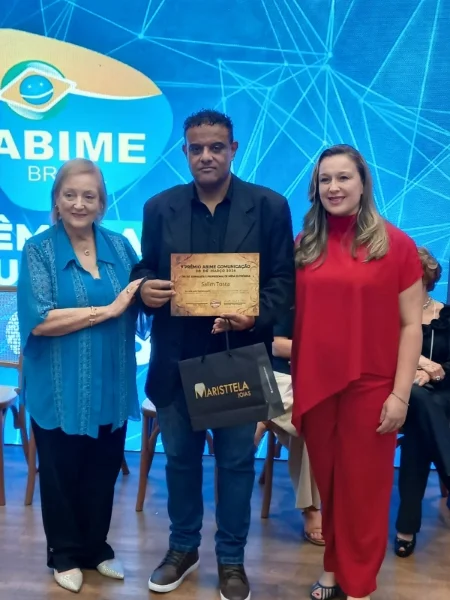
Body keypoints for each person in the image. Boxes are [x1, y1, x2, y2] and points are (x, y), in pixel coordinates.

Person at [130, 109, 294, 600]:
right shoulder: (159, 207)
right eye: (196, 148)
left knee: (236, 465)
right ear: (185, 151)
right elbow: (146, 268)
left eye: (216, 147)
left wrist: (253, 314)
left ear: (233, 149)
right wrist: (144, 289)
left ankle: (231, 559)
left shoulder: (269, 206)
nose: (206, 156)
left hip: (237, 356)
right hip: (175, 360)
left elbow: (284, 283)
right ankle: (183, 548)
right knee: (180, 462)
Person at [291, 144, 423, 600]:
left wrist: (400, 395)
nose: (334, 187)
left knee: (364, 490)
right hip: (316, 384)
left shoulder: (397, 245)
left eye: (344, 177)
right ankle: (333, 566)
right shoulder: (304, 245)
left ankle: (360, 585)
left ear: (363, 183)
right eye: (325, 179)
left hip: (371, 386)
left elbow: (411, 326)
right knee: (330, 485)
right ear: (315, 188)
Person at [17, 158, 142, 594]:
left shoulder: (120, 248)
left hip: (112, 380)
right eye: (69, 194)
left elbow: (139, 294)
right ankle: (64, 553)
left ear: (102, 203)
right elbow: (39, 320)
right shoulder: (38, 250)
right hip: (58, 384)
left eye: (89, 195)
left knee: (103, 468)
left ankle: (95, 548)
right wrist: (105, 311)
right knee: (60, 471)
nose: (79, 203)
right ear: (56, 200)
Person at [395, 247, 450, 557]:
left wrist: (433, 373)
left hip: (443, 392)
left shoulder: (447, 314)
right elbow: (381, 353)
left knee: (419, 428)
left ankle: (406, 527)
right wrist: (420, 364)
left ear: (427, 278)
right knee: (415, 397)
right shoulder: (388, 315)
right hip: (404, 391)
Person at [255, 308, 323, 545]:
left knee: (311, 417)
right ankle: (311, 509)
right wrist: (319, 353)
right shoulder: (293, 297)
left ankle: (267, 416)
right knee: (307, 419)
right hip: (272, 373)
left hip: (314, 378)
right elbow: (277, 345)